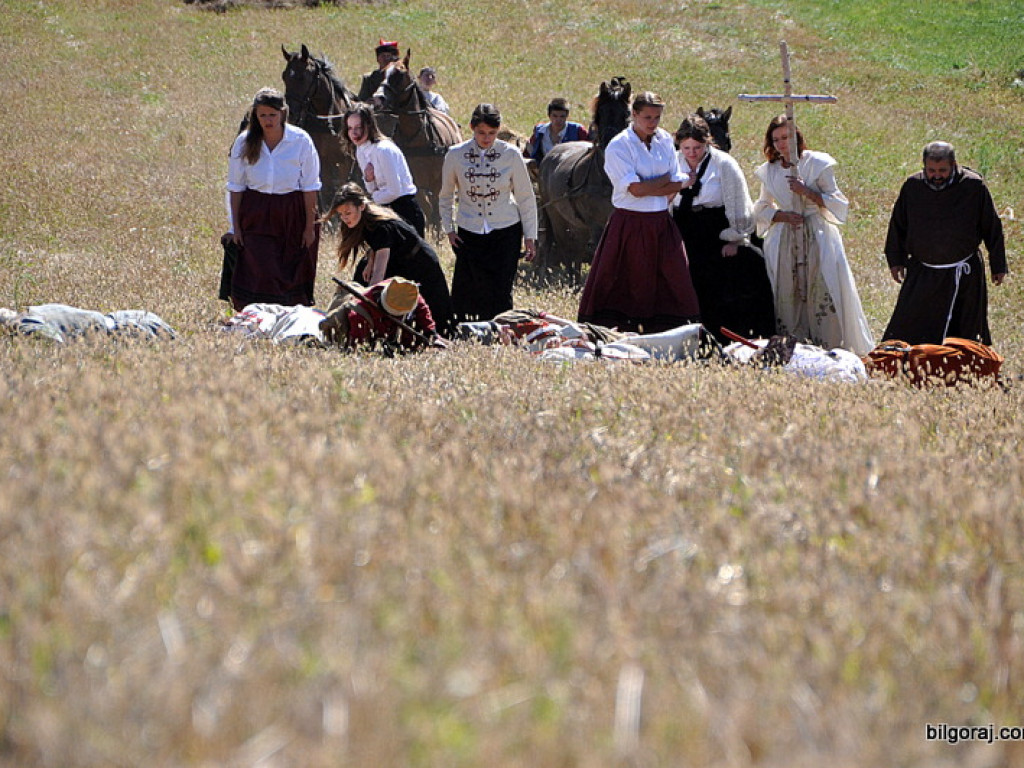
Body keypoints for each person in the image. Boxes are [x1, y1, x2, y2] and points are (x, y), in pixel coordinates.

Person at [577, 91, 700, 333]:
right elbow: (636, 189)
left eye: (656, 117)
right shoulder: (620, 146)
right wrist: (666, 183)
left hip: (661, 222)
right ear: (634, 115)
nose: (652, 123)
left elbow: (678, 183)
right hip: (629, 223)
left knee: (675, 278)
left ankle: (670, 333)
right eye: (647, 117)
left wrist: (661, 184)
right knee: (625, 282)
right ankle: (616, 333)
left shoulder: (664, 140)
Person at [752, 114, 873, 355]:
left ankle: (830, 346)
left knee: (821, 287)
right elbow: (761, 206)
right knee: (788, 290)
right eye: (776, 139)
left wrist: (806, 192)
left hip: (817, 234)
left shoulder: (817, 163)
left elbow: (837, 202)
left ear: (796, 135)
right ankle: (792, 347)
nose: (781, 144)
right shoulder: (770, 171)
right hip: (786, 236)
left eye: (785, 137)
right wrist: (782, 216)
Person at [881, 141, 1007, 345]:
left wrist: (998, 265)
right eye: (931, 170)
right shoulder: (913, 186)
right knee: (909, 326)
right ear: (924, 167)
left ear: (954, 165)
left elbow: (991, 227)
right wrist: (896, 260)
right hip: (923, 271)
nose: (937, 175)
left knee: (964, 331)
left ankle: (963, 369)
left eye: (942, 170)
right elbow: (898, 226)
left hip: (963, 272)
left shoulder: (973, 186)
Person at [672, 114, 775, 342]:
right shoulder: (672, 160)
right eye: (686, 147)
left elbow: (739, 202)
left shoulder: (723, 164)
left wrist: (736, 238)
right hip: (682, 229)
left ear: (707, 143)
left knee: (723, 282)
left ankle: (725, 336)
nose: (691, 153)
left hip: (714, 230)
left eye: (697, 147)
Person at [439, 103, 538, 322]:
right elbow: (445, 195)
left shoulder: (510, 154)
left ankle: (500, 330)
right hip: (469, 229)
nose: (486, 138)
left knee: (501, 289)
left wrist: (530, 236)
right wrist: (449, 228)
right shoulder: (456, 155)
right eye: (481, 132)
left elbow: (525, 197)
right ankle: (466, 334)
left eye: (492, 133)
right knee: (467, 288)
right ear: (472, 129)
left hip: (506, 229)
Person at [226, 87, 321, 310]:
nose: (268, 121)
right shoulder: (243, 143)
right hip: (256, 210)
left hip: (292, 209)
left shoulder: (301, 141)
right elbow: (236, 187)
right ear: (255, 116)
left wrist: (309, 227)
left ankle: (287, 315)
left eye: (272, 115)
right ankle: (255, 313)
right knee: (260, 264)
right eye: (262, 115)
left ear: (283, 113)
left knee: (289, 266)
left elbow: (310, 186)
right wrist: (235, 227)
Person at [327, 182, 455, 336]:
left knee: (436, 322)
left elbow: (379, 275)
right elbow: (378, 246)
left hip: (419, 264)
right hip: (400, 261)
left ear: (361, 206)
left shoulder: (381, 226)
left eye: (347, 213)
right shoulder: (366, 221)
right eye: (341, 214)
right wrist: (370, 261)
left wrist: (365, 300)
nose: (344, 218)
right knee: (363, 270)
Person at [342, 103, 426, 237]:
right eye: (350, 128)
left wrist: (370, 201)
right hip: (384, 210)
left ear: (369, 126)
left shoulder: (383, 150)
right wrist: (369, 180)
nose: (354, 133)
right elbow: (372, 188)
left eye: (358, 127)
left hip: (404, 211)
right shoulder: (360, 150)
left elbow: (394, 191)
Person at [319, 277, 443, 352]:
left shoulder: (405, 291)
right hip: (346, 314)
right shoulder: (358, 313)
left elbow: (422, 310)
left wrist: (432, 335)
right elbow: (357, 348)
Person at [527, 97, 589, 163]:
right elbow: (528, 153)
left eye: (562, 116)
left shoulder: (578, 131)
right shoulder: (540, 132)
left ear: (567, 116)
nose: (558, 120)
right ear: (549, 115)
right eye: (555, 116)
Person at [357, 39, 400, 104]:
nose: (386, 59)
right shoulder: (369, 78)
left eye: (388, 56)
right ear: (378, 59)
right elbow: (361, 100)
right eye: (383, 56)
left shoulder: (400, 78)